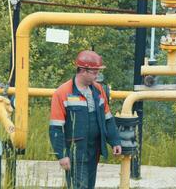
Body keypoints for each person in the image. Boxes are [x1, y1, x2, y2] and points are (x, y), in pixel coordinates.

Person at [49, 50, 122, 189]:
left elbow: (107, 119)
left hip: (94, 151)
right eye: (94, 72)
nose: (97, 75)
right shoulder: (62, 93)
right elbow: (55, 128)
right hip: (76, 153)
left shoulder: (98, 90)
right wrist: (62, 155)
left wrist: (115, 141)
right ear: (82, 70)